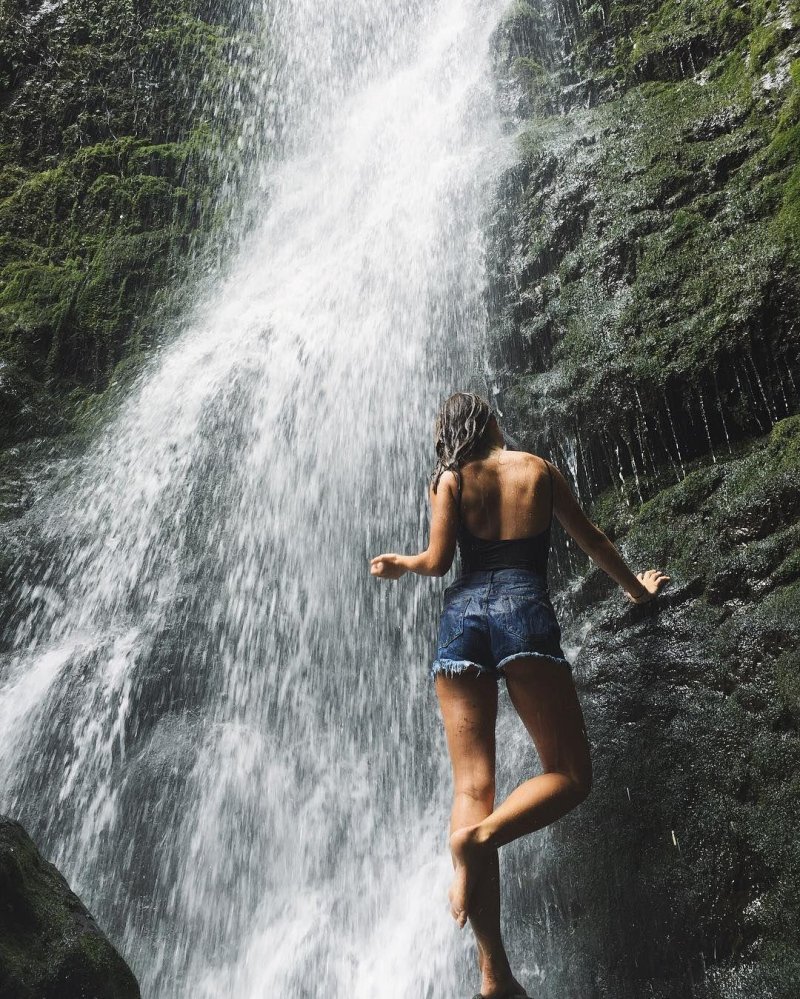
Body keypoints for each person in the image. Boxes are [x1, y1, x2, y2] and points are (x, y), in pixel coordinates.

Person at [370, 392, 669, 999]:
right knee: (569, 774)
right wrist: (638, 590)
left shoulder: (450, 478)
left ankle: (494, 970)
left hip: (462, 620)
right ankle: (479, 841)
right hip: (523, 612)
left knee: (470, 789)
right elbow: (592, 541)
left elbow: (437, 561)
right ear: (493, 423)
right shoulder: (538, 469)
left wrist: (401, 564)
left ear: (452, 434)